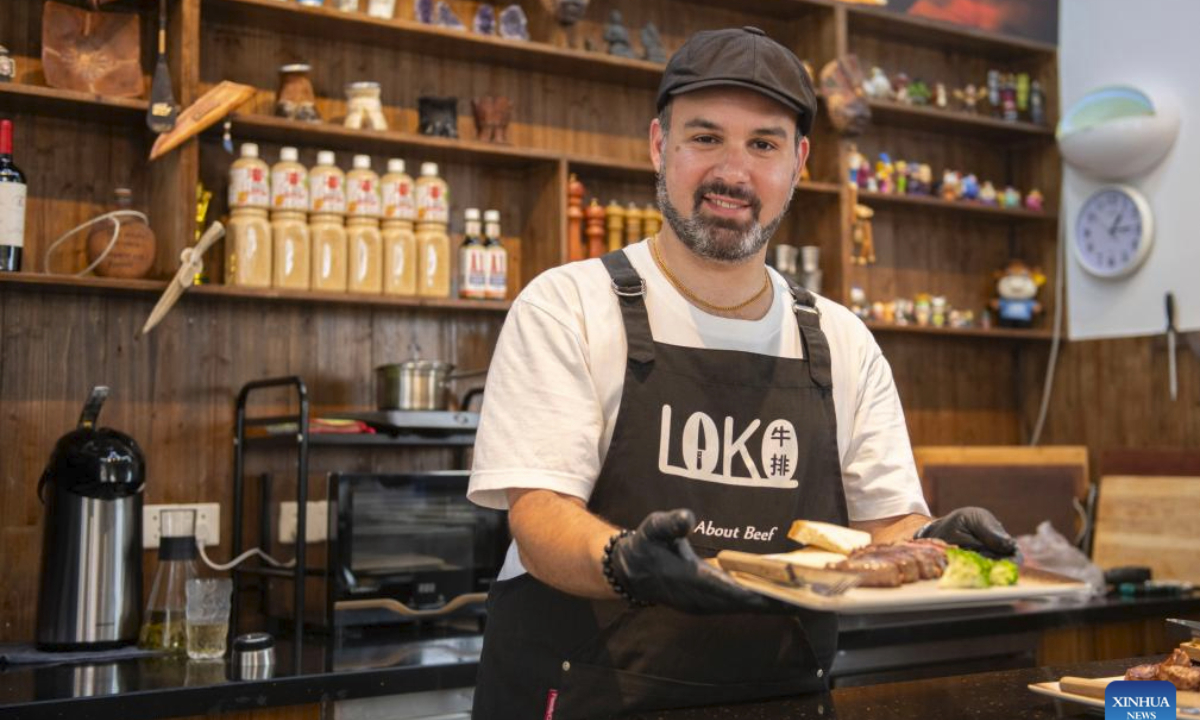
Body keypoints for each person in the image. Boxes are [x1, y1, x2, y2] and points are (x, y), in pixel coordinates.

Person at [466, 26, 1017, 719]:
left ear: (799, 163)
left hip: (781, 700)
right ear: (659, 146)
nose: (734, 171)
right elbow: (539, 519)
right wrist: (625, 562)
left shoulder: (840, 340)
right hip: (587, 696)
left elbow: (882, 527)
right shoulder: (569, 304)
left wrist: (931, 544)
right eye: (705, 138)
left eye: (763, 144)